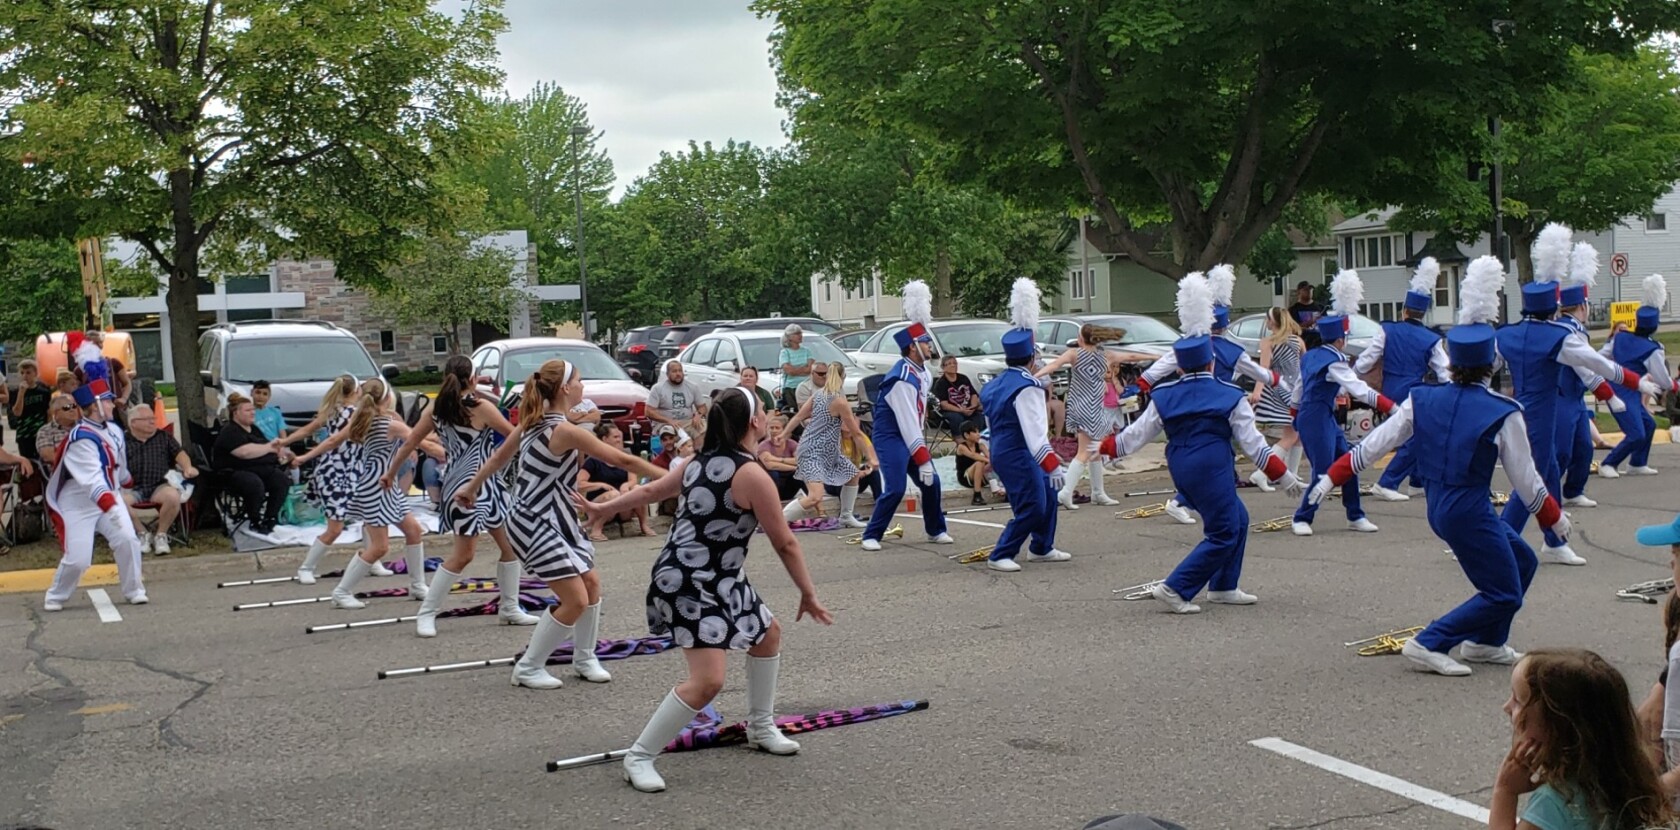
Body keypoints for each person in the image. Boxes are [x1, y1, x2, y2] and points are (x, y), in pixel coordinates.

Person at [1307, 258, 1565, 675]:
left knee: (1524, 562)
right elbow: (1526, 478)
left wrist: (1332, 475)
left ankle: (1486, 642)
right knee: (1502, 592)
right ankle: (1430, 641)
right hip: (1469, 509)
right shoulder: (1503, 410)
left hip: (1441, 506)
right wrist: (1553, 518)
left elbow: (1376, 443)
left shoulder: (1421, 398)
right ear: (1492, 363)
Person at [574, 386, 834, 793]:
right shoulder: (750, 474)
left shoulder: (702, 460)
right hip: (688, 581)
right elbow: (785, 541)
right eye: (763, 410)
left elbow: (652, 490)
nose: (766, 415)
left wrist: (603, 509)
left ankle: (761, 727)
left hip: (720, 576)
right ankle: (639, 756)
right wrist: (809, 593)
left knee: (767, 636)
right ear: (754, 422)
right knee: (708, 681)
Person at [457, 358, 667, 690]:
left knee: (592, 584)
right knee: (575, 600)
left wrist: (470, 488)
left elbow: (499, 459)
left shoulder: (536, 421)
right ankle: (528, 666)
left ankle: (584, 657)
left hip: (554, 517)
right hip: (533, 520)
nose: (584, 386)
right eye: (580, 380)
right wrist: (678, 477)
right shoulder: (560, 428)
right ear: (566, 388)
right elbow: (621, 459)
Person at [1099, 273, 1297, 610]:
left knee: (1239, 518)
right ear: (1210, 360)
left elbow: (1138, 433)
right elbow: (1253, 445)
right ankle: (1176, 587)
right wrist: (1283, 475)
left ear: (1180, 365)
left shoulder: (1165, 395)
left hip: (1179, 463)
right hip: (1211, 464)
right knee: (1222, 532)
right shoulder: (1230, 395)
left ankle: (1223, 586)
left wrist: (1107, 449)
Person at [1497, 224, 1648, 567]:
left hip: (1520, 411)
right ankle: (1503, 538)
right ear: (1553, 309)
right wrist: (1634, 382)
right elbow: (1595, 364)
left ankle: (1553, 539)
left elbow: (1481, 363)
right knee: (1534, 477)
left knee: (1547, 472)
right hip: (1543, 415)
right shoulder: (1557, 337)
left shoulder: (1507, 333)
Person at [382, 356, 538, 637]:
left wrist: (391, 473)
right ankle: (426, 612)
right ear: (473, 378)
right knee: (464, 554)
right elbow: (514, 438)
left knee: (509, 546)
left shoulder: (437, 407)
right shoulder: (479, 407)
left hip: (477, 483)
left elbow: (411, 443)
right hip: (471, 486)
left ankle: (510, 607)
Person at [1135, 265, 1287, 523]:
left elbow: (1160, 367)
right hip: (1221, 407)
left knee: (1213, 458)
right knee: (1219, 457)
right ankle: (1184, 502)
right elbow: (1260, 372)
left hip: (1193, 404)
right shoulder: (1230, 348)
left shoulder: (1191, 346)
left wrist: (1143, 382)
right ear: (1225, 324)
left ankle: (1209, 504)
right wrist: (1282, 383)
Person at [1489, 649, 1674, 830]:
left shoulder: (1555, 801)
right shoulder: (1630, 776)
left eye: (1518, 700)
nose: (1506, 707)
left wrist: (1505, 792)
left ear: (1557, 726)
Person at [293, 379, 428, 609]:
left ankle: (417, 585)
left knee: (413, 530)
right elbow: (418, 439)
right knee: (379, 546)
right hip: (376, 487)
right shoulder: (385, 423)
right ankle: (342, 591)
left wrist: (304, 457)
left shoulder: (365, 418)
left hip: (384, 485)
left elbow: (334, 439)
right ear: (387, 399)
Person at [1290, 270, 1393, 537]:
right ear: (1340, 339)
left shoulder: (1313, 355)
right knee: (1324, 470)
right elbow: (1357, 387)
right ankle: (1302, 517)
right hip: (1316, 416)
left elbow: (1299, 387)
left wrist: (1294, 412)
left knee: (1348, 462)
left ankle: (1355, 514)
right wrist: (1390, 407)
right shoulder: (1334, 360)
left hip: (1318, 414)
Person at [981, 279, 1074, 573]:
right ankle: (1002, 552)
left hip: (1004, 448)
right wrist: (1052, 464)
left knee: (1046, 496)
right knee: (1033, 504)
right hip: (1020, 451)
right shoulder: (1028, 387)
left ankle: (1042, 546)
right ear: (1032, 356)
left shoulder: (996, 383)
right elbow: (1036, 432)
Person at [861, 280, 952, 551]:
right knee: (896, 488)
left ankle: (936, 530)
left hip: (909, 434)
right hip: (891, 436)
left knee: (932, 483)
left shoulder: (921, 371)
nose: (930, 347)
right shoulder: (901, 378)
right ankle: (871, 534)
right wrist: (922, 457)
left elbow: (918, 412)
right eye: (925, 343)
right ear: (912, 347)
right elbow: (907, 422)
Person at [1354, 257, 1448, 502]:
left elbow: (1366, 361)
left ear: (1404, 310)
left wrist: (1353, 377)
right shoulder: (1431, 339)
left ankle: (1416, 482)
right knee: (1419, 437)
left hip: (1389, 390)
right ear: (1423, 313)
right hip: (1415, 392)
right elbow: (1444, 372)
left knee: (1415, 435)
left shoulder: (1387, 329)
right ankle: (1388, 481)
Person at [43, 383, 141, 611]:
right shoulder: (80, 438)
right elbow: (92, 480)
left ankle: (134, 590)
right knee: (79, 559)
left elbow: (118, 464)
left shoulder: (115, 429)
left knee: (128, 540)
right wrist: (111, 506)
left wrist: (126, 481)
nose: (111, 404)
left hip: (109, 495)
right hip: (80, 503)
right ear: (95, 406)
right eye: (107, 400)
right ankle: (56, 595)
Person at [279, 375, 379, 583]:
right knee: (336, 527)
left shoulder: (332, 411)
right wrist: (304, 456)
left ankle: (372, 559)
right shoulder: (353, 414)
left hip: (352, 471)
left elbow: (308, 429)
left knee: (369, 515)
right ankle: (306, 567)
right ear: (356, 392)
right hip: (337, 473)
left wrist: (285, 440)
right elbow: (333, 440)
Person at [1034, 322, 1123, 509]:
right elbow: (1132, 356)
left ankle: (1098, 492)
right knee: (1085, 451)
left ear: (1081, 338)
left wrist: (1036, 376)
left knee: (1096, 450)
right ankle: (1065, 492)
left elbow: (1055, 365)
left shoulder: (1080, 354)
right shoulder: (1097, 355)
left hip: (1087, 407)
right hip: (1088, 408)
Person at [782, 361, 874, 528]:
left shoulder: (819, 394)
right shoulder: (839, 401)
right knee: (815, 497)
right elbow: (857, 433)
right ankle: (778, 521)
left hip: (828, 450)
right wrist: (871, 456)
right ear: (843, 377)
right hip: (813, 451)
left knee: (852, 474)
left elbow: (797, 417)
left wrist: (784, 433)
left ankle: (846, 516)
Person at [1601, 274, 1675, 478]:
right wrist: (1672, 385)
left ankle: (1637, 463)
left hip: (1623, 389)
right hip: (1624, 393)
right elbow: (1662, 379)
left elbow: (1601, 356)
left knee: (1649, 424)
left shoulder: (1621, 337)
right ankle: (1608, 463)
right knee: (1636, 433)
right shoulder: (1652, 348)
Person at [1555, 250, 1611, 509]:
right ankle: (1547, 494)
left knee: (1583, 448)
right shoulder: (1570, 331)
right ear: (1582, 306)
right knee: (1562, 450)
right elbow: (1585, 367)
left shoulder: (1578, 330)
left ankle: (1574, 490)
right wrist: (1606, 390)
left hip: (1575, 397)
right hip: (1563, 395)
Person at [123, 404, 198, 555]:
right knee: (117, 502)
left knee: (173, 496)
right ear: (133, 423)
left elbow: (180, 454)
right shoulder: (122, 440)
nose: (152, 422)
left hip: (159, 485)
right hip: (132, 488)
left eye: (153, 418)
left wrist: (187, 467)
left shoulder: (163, 436)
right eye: (147, 419)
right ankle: (142, 533)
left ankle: (161, 535)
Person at [214, 394, 293, 535]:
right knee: (254, 484)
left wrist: (279, 452)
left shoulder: (254, 429)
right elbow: (244, 452)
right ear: (236, 413)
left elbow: (264, 446)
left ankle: (270, 518)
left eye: (253, 410)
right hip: (233, 472)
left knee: (281, 480)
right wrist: (269, 448)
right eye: (248, 410)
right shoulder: (230, 431)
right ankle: (254, 520)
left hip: (259, 468)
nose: (253, 412)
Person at [1249, 307, 1305, 487]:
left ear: (1272, 322)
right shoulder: (1298, 341)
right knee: (1293, 434)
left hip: (1278, 390)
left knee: (1295, 435)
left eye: (1267, 319)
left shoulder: (1267, 342)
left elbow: (1264, 370)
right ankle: (1264, 473)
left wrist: (1257, 391)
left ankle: (1284, 474)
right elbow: (1305, 368)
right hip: (1294, 392)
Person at [577, 421, 653, 540]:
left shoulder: (625, 457)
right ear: (605, 439)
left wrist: (626, 485)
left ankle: (644, 525)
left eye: (620, 437)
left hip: (622, 507)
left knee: (638, 489)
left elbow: (633, 480)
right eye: (616, 437)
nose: (619, 440)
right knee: (614, 494)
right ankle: (596, 529)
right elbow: (579, 484)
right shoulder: (593, 460)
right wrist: (599, 485)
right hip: (600, 506)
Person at [647, 359, 707, 434]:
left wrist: (698, 415)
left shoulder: (693, 387)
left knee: (702, 428)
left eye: (680, 371)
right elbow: (648, 412)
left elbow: (703, 407)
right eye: (674, 371)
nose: (678, 374)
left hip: (687, 422)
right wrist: (668, 420)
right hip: (665, 424)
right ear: (667, 374)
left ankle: (698, 445)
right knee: (670, 432)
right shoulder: (658, 388)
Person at [11, 358, 54, 464]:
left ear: (35, 373)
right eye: (22, 373)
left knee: (44, 462)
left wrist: (49, 430)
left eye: (28, 372)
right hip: (24, 434)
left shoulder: (44, 392)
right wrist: (21, 393)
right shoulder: (15, 392)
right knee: (28, 463)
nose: (25, 375)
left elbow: (49, 412)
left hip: (40, 432)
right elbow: (17, 412)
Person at [931, 355, 982, 436]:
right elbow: (944, 404)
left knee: (979, 416)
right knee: (956, 418)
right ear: (943, 367)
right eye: (949, 363)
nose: (953, 365)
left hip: (967, 408)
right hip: (951, 411)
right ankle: (960, 441)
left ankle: (977, 439)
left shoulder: (964, 378)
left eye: (955, 363)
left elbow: (973, 394)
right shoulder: (941, 383)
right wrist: (961, 410)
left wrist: (973, 406)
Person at [757, 414, 803, 502]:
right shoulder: (764, 445)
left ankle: (814, 501)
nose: (774, 430)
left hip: (788, 486)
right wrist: (794, 467)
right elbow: (770, 465)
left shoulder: (792, 444)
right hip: (772, 486)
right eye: (771, 428)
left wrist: (778, 459)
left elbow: (800, 461)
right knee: (773, 473)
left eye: (777, 428)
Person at [35, 393, 78, 471]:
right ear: (56, 413)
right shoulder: (46, 431)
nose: (72, 410)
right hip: (63, 474)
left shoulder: (84, 427)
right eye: (67, 407)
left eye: (74, 406)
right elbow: (48, 456)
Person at [778, 323, 814, 411]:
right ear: (789, 337)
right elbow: (789, 371)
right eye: (797, 334)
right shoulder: (785, 352)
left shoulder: (807, 351)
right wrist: (803, 368)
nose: (800, 336)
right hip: (791, 388)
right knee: (794, 411)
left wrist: (795, 369)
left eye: (800, 333)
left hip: (807, 386)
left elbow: (811, 369)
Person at [954, 422, 991, 505]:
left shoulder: (981, 445)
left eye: (978, 432)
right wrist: (988, 461)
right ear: (966, 435)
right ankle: (977, 495)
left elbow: (989, 457)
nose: (978, 435)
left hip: (980, 476)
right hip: (966, 478)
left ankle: (1005, 489)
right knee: (979, 462)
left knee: (996, 464)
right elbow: (973, 455)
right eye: (975, 432)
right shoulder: (962, 447)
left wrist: (991, 461)